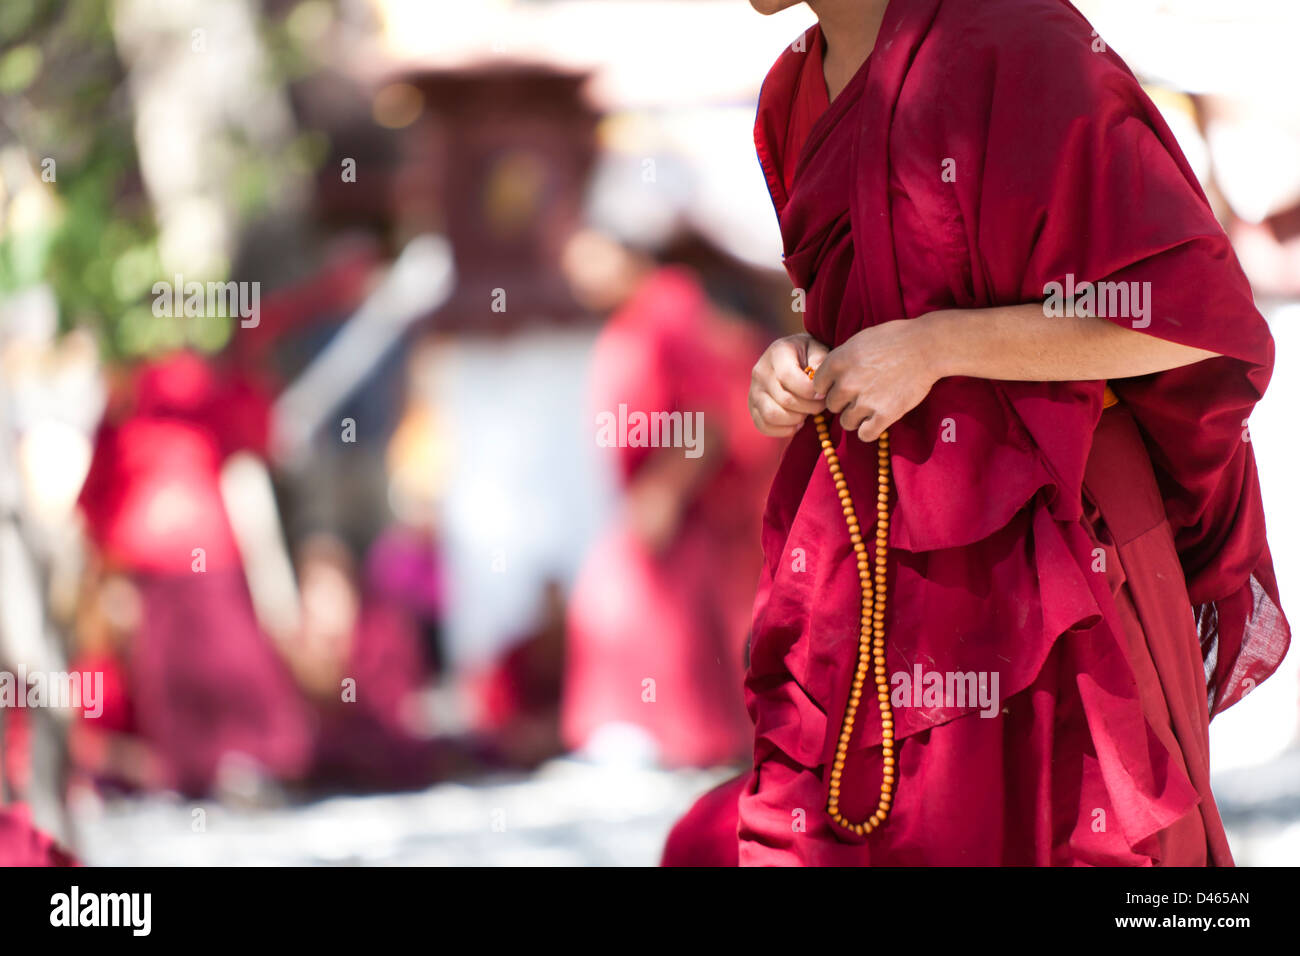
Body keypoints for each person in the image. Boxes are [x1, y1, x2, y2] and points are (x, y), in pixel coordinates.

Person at [738, 0, 1288, 865]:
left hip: (1064, 550)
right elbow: (860, 301)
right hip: (882, 566)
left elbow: (1192, 318)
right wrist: (799, 359)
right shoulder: (790, 93)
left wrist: (938, 349)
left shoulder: (1013, 37)